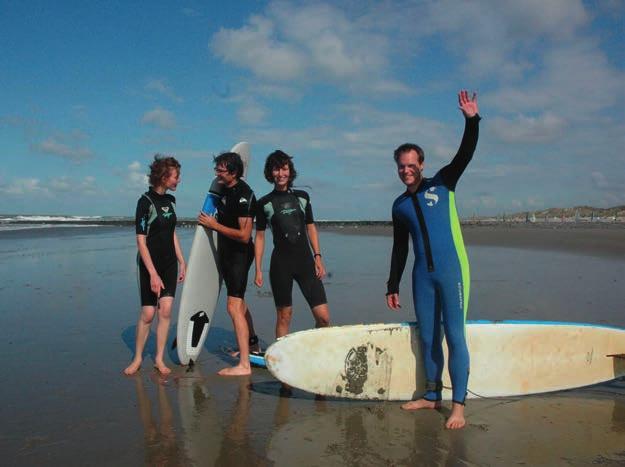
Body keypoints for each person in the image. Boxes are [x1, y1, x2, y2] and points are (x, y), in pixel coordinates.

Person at [386, 90, 480, 429]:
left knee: (454, 336)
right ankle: (430, 395)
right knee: (427, 336)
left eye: (412, 165)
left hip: (452, 270)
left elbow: (465, 154)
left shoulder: (443, 183)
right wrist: (392, 284)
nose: (407, 170)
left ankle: (458, 407)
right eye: (402, 166)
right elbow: (400, 248)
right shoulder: (398, 206)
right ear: (397, 168)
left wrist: (472, 120)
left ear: (421, 165)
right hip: (421, 276)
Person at [254, 150, 330, 341]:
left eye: (284, 169)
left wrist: (318, 257)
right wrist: (258, 269)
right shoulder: (265, 203)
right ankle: (280, 358)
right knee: (284, 316)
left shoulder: (302, 197)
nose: (281, 173)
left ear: (290, 171)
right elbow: (260, 237)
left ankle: (314, 348)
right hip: (281, 265)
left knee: (323, 317)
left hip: (306, 263)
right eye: (276, 169)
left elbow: (311, 227)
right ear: (270, 173)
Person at [198, 152, 260, 376]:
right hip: (226, 252)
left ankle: (244, 365)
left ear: (233, 172)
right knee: (239, 302)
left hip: (239, 255)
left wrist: (214, 226)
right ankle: (252, 346)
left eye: (221, 170)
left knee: (232, 305)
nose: (217, 174)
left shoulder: (244, 195)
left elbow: (245, 235)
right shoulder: (224, 189)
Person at [125, 155, 186, 376]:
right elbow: (141, 241)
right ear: (163, 176)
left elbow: (172, 234)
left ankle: (159, 359)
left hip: (169, 263)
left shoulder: (171, 201)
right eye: (176, 176)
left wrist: (182, 260)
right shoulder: (145, 202)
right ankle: (138, 357)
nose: (178, 180)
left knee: (166, 310)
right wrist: (152, 274)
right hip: (149, 264)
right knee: (149, 313)